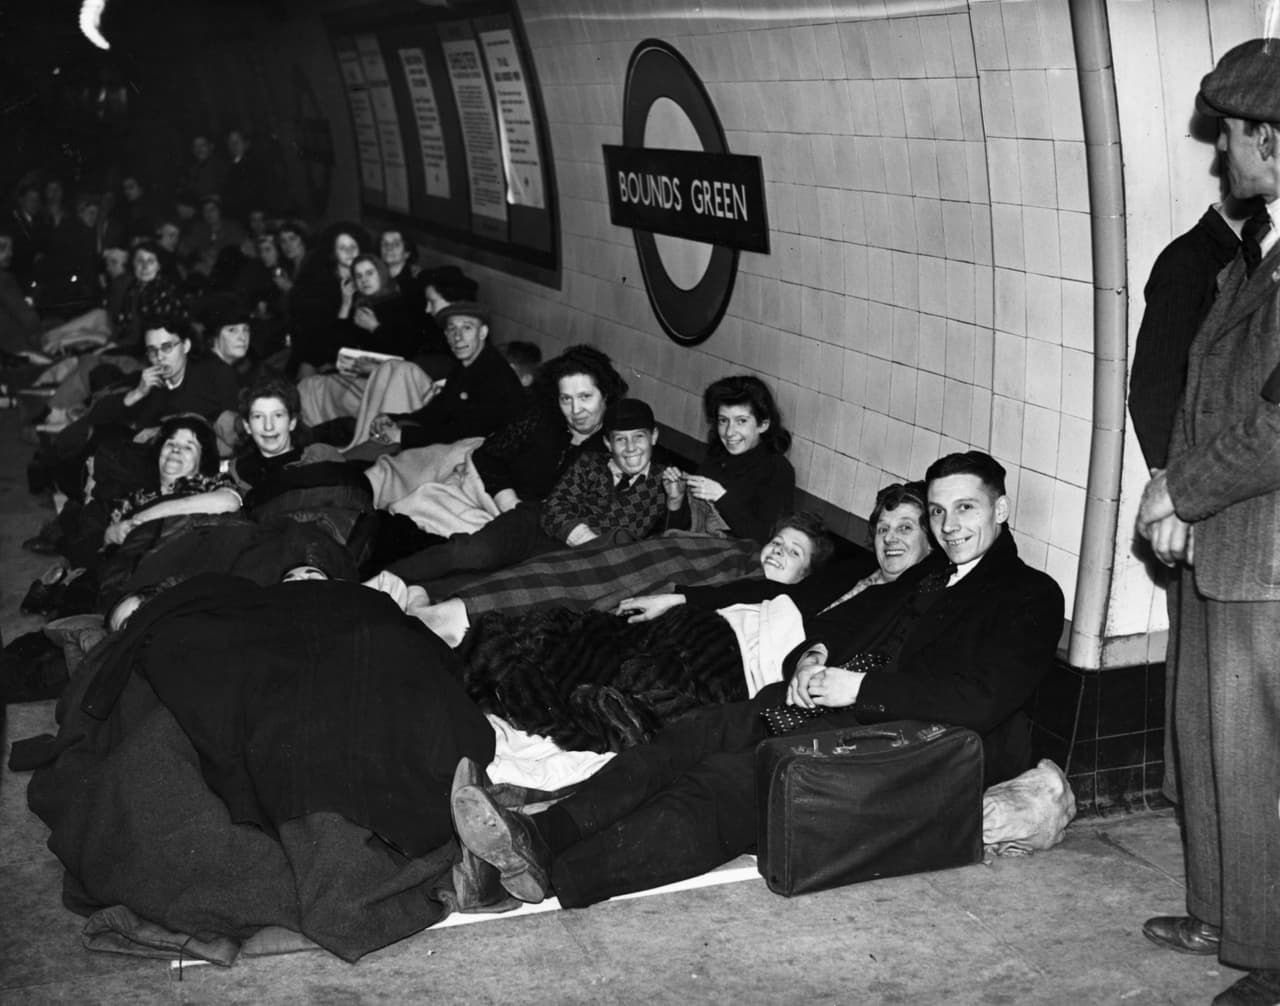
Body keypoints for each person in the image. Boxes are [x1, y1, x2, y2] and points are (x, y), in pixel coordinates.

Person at [449, 450, 1063, 909]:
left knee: (730, 782)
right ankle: (542, 835)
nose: (949, 524)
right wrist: (813, 658)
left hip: (913, 745)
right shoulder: (926, 576)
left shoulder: (1028, 593)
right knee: (694, 733)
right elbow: (838, 628)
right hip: (836, 713)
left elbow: (981, 700)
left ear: (1000, 510)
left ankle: (554, 878)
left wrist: (859, 690)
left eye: (965, 508)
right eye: (938, 511)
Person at [1136, 39, 1280, 1005]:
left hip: (1267, 554)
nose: (1221, 158)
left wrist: (1180, 492)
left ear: (1270, 140)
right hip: (1234, 539)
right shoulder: (1259, 251)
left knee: (1262, 762)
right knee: (1227, 751)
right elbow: (1203, 389)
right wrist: (1182, 488)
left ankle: (1270, 961)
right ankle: (1235, 917)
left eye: (1230, 139)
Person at [460, 511, 839, 752]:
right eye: (776, 543)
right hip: (650, 630)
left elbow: (758, 597)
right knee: (558, 635)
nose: (777, 551)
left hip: (697, 654)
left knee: (604, 674)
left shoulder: (787, 601)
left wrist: (677, 601)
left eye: (793, 552)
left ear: (805, 574)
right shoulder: (737, 567)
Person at [376, 344, 625, 582]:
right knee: (404, 517)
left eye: (585, 397)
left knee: (455, 552)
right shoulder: (544, 418)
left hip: (525, 528)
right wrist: (507, 501)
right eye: (566, 399)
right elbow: (487, 456)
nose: (576, 409)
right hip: (489, 497)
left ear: (605, 395)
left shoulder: (614, 446)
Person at [366, 300, 524, 450]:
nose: (457, 337)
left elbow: (467, 432)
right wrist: (394, 418)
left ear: (482, 332)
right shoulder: (464, 367)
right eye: (451, 329)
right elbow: (435, 412)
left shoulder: (493, 373)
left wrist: (403, 435)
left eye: (467, 328)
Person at [665, 375, 795, 544]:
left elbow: (769, 540)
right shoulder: (716, 459)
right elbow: (680, 532)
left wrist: (721, 497)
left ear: (763, 424)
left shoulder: (777, 470)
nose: (729, 432)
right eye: (723, 420)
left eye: (741, 421)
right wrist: (675, 501)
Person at [101, 414, 242, 548]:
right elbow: (103, 546)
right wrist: (110, 535)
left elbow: (229, 502)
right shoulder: (134, 498)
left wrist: (143, 519)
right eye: (170, 443)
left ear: (201, 460)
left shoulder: (211, 482)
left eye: (188, 447)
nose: (175, 449)